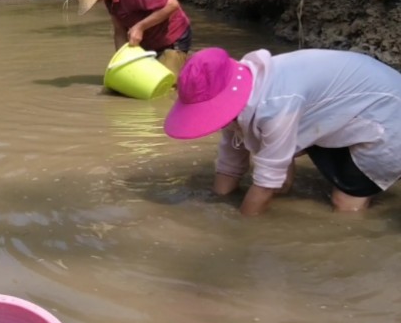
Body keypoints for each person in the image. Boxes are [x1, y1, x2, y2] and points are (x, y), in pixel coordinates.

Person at [163, 46, 401, 216]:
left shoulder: (277, 105)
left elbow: (267, 180)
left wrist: (239, 233)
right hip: (340, 108)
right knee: (271, 151)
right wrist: (217, 201)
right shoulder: (240, 88)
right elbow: (231, 154)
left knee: (344, 205)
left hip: (387, 114)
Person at [68, 0, 193, 75]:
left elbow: (172, 5)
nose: (98, 0)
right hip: (148, 43)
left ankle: (192, 66)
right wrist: (121, 60)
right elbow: (119, 30)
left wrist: (140, 27)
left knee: (167, 86)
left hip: (172, 36)